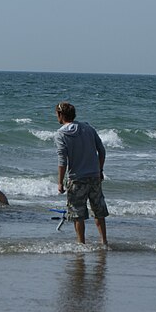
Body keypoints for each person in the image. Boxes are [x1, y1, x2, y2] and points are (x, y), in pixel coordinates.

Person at [54, 101, 109, 246]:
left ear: (61, 115)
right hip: (94, 176)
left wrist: (60, 182)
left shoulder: (60, 134)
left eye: (57, 114)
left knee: (77, 215)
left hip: (77, 179)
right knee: (99, 211)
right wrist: (100, 170)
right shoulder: (88, 128)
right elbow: (102, 151)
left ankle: (81, 244)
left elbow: (62, 161)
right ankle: (104, 242)